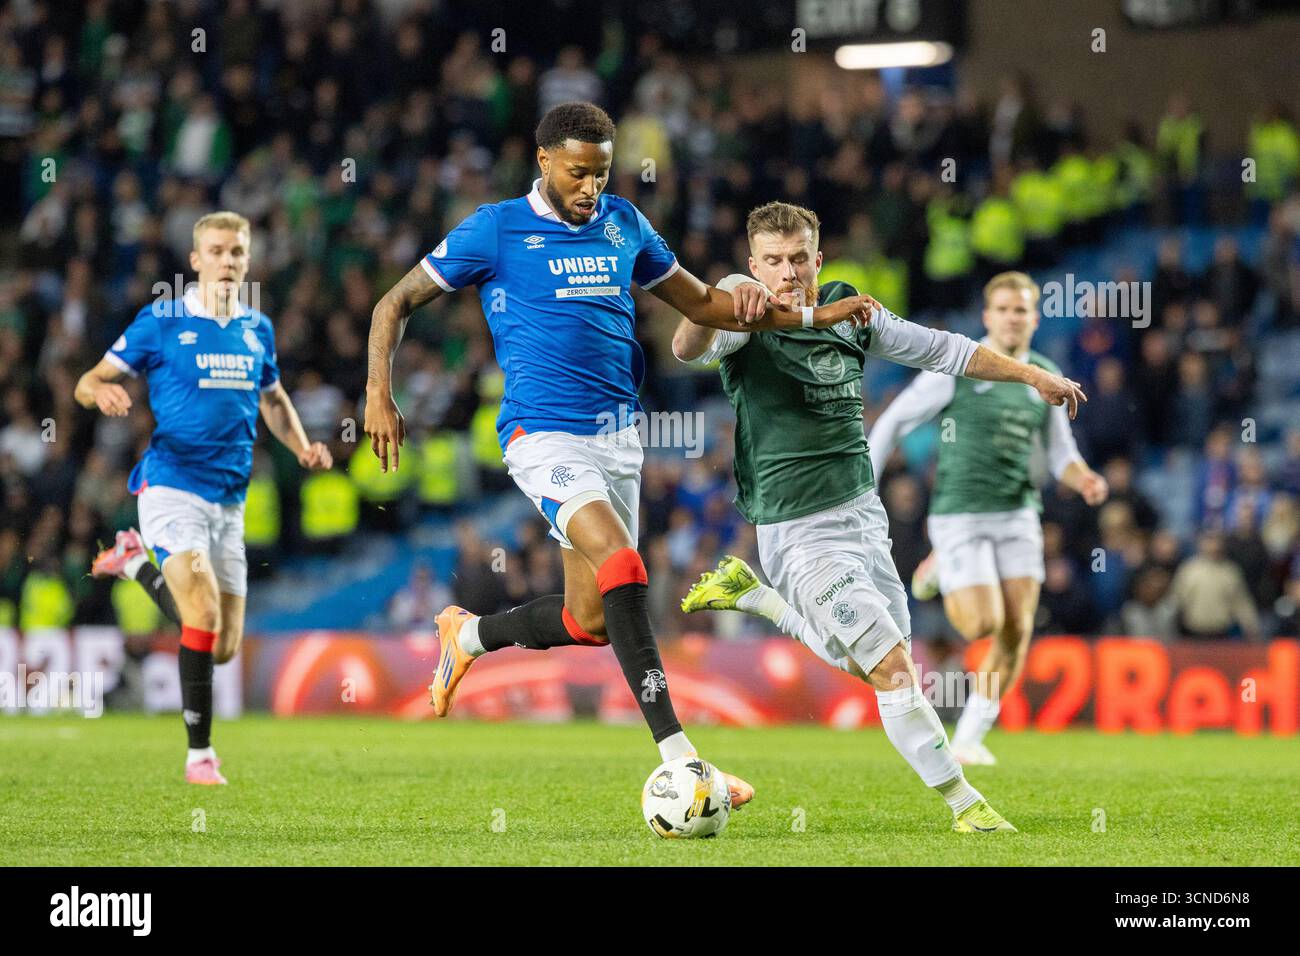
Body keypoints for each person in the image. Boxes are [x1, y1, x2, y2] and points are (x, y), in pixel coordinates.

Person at [363, 102, 875, 806]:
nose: (590, 188)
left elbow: (704, 306)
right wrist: (377, 395)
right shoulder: (495, 229)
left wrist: (810, 313)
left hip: (619, 440)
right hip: (541, 435)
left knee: (591, 620)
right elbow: (392, 303)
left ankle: (469, 635)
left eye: (601, 174)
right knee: (624, 564)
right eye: (578, 173)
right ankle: (686, 759)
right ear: (543, 161)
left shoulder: (624, 224)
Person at [673, 203, 1087, 832]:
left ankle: (758, 600)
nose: (787, 272)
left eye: (799, 258)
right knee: (893, 666)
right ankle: (964, 804)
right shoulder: (741, 314)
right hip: (798, 528)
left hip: (863, 517)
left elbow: (946, 350)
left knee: (878, 667)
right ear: (754, 264)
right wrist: (724, 296)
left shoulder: (851, 313)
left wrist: (1031, 375)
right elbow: (685, 346)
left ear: (820, 259)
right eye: (773, 261)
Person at [76, 211, 332, 785]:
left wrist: (302, 447)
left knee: (221, 647)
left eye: (236, 253)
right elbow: (85, 382)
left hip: (230, 500)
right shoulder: (162, 321)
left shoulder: (257, 328)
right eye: (215, 251)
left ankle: (134, 562)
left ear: (247, 260)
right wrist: (104, 390)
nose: (226, 262)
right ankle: (200, 756)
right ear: (195, 261)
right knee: (203, 613)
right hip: (171, 486)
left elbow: (273, 400)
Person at [867, 271, 1108, 766]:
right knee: (982, 624)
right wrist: (863, 480)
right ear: (987, 316)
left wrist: (1083, 478)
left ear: (1034, 318)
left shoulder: (1044, 373)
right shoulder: (960, 364)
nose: (1012, 318)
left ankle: (970, 737)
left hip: (1018, 512)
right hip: (961, 514)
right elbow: (895, 419)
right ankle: (937, 570)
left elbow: (1062, 453)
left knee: (1017, 628)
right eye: (1002, 309)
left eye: (1020, 310)